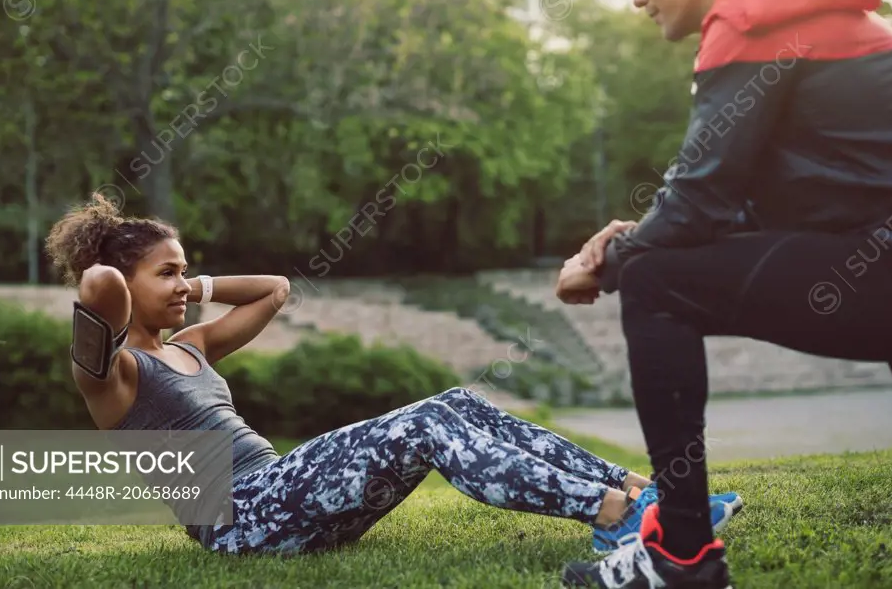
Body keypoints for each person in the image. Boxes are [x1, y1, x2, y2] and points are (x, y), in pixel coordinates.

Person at [553, 0, 892, 586]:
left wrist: (605, 266)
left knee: (655, 282)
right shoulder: (801, 7)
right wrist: (634, 235)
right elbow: (759, 201)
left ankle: (678, 555)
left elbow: (697, 199)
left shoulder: (752, 15)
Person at [44, 193, 742, 559]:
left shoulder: (191, 347)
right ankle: (609, 518)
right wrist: (113, 269)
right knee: (428, 425)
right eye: (165, 272)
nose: (180, 283)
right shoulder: (116, 377)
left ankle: (641, 493)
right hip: (241, 523)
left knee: (457, 401)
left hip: (283, 493)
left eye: (182, 269)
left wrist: (189, 284)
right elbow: (101, 284)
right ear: (127, 281)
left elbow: (276, 290)